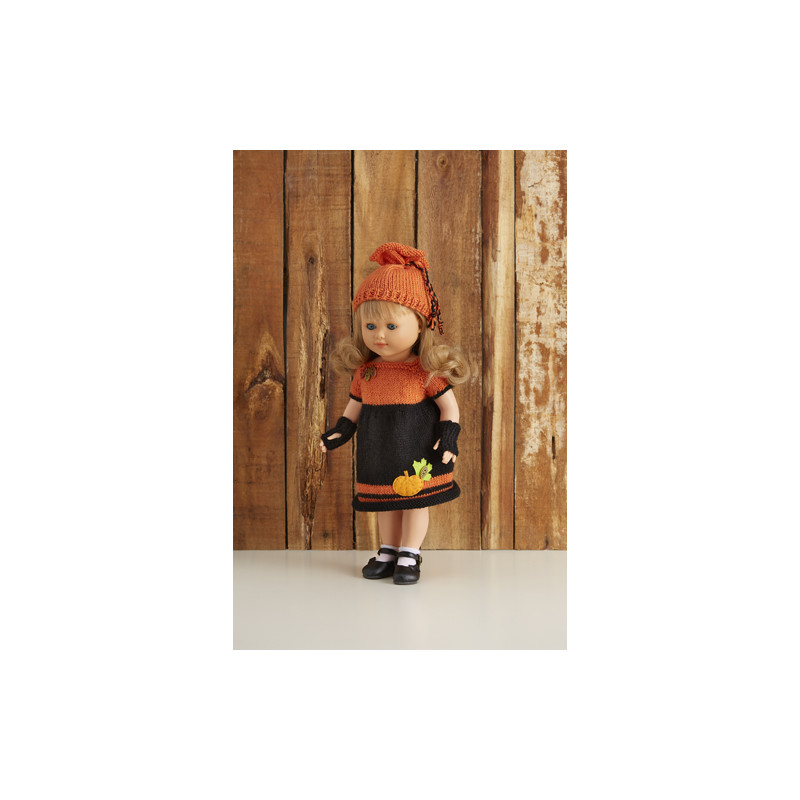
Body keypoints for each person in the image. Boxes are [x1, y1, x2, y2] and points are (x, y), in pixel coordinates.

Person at [320, 242, 469, 584]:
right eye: (370, 326)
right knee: (384, 501)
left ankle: (410, 553)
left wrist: (449, 438)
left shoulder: (424, 371)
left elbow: (449, 407)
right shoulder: (366, 372)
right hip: (379, 451)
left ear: (420, 325)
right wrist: (337, 434)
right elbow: (353, 412)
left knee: (414, 501)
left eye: (391, 326)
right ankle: (388, 549)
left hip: (417, 451)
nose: (379, 336)